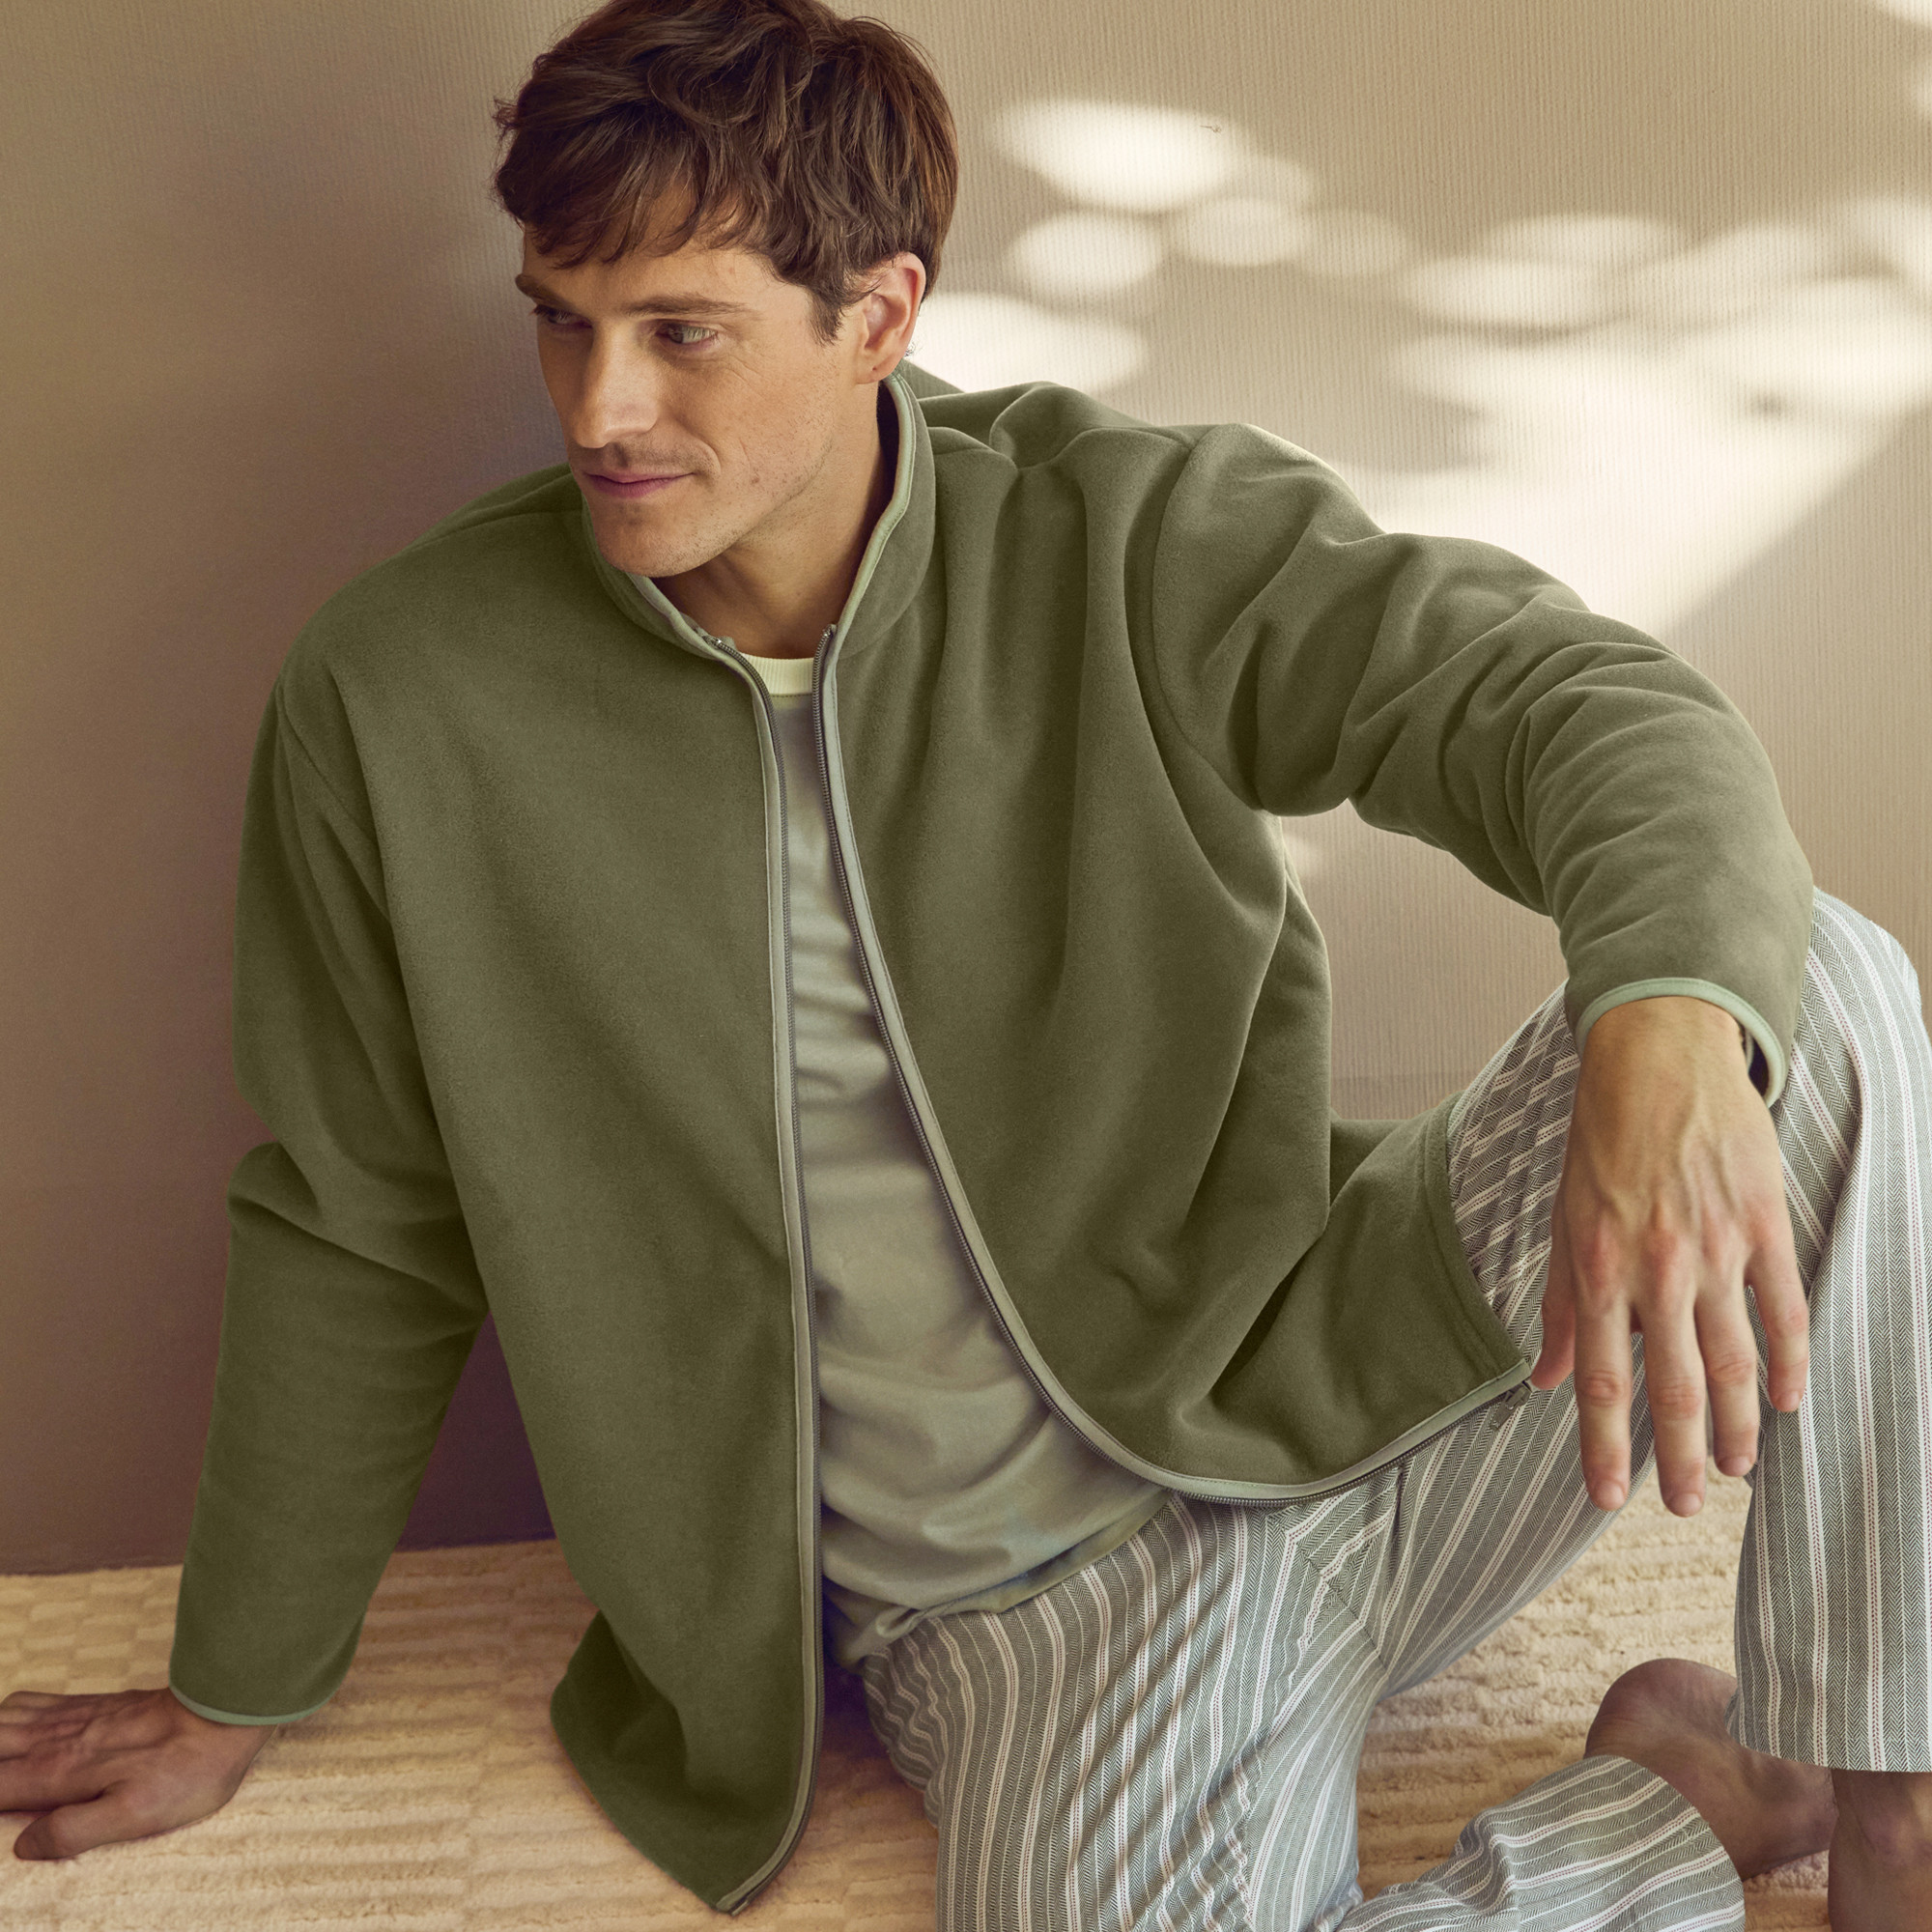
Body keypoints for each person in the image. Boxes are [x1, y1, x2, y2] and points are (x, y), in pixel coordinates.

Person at [5, 0, 1930, 1923]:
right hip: (1033, 1609)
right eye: (561, 320)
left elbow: (1569, 702)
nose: (599, 410)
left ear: (879, 315)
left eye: (682, 332)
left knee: (1805, 987)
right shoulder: (403, 696)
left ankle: (1889, 1795)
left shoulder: (1118, 534)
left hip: (1347, 1380)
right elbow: (363, 1217)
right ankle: (1686, 1803)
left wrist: (1668, 1029)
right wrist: (232, 1685)